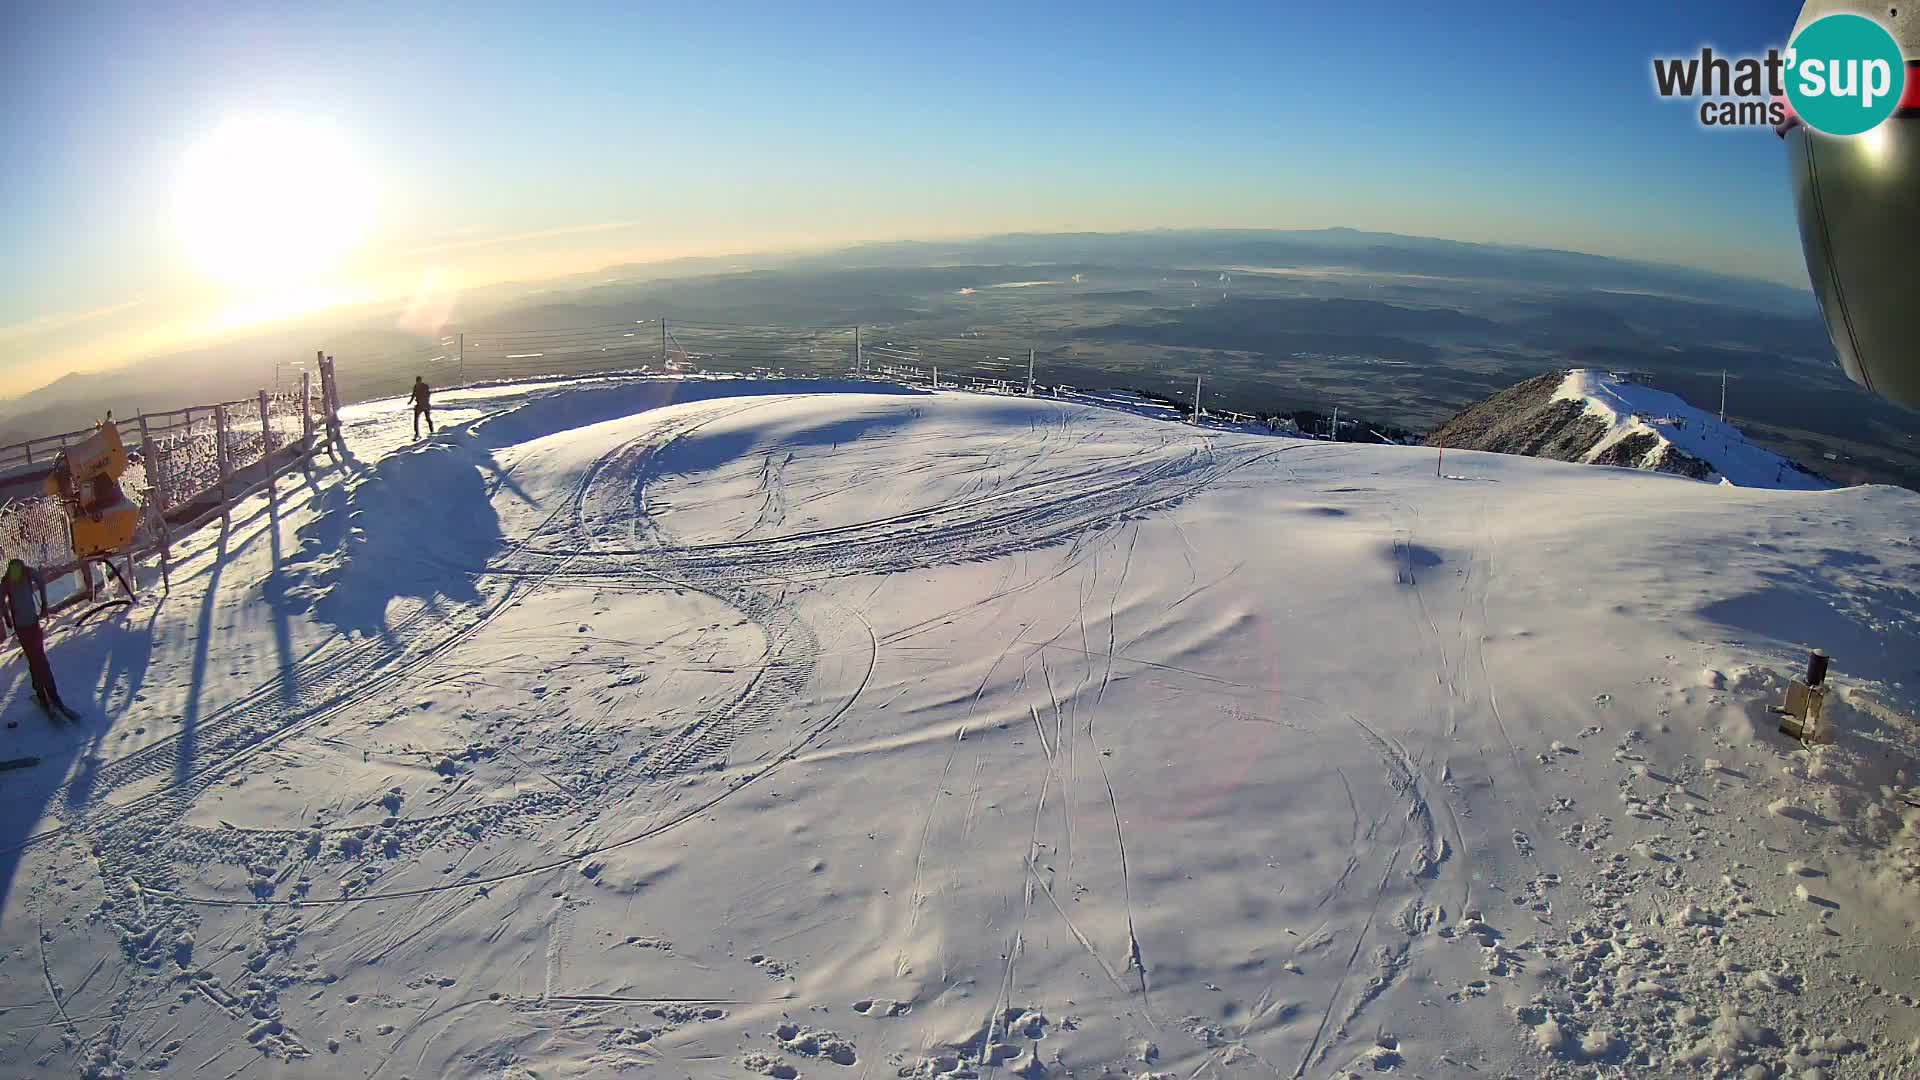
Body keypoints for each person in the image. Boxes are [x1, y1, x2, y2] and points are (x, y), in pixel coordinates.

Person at [2, 558, 66, 716]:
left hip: (25, 625)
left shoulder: (10, 578)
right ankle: (50, 694)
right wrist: (44, 602)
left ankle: (44, 694)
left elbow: (1, 600)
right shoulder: (24, 573)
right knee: (39, 659)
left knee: (35, 660)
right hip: (29, 624)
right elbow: (41, 581)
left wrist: (7, 618)